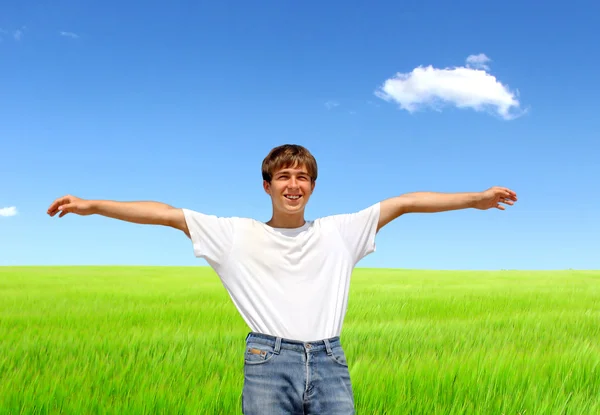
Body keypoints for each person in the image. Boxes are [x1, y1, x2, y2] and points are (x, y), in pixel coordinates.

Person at [47, 144, 517, 414]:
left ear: (312, 186)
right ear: (267, 185)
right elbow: (167, 214)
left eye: (303, 177)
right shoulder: (235, 234)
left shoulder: (339, 232)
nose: (294, 184)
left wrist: (474, 198)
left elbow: (405, 202)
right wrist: (92, 205)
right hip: (268, 361)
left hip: (332, 361)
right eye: (284, 176)